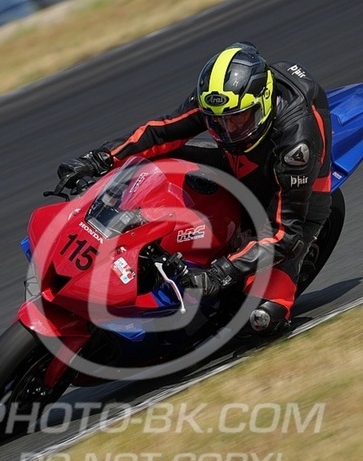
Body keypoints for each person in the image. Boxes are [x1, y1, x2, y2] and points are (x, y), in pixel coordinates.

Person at [57, 42, 332, 334]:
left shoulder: (296, 144)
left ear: (262, 104)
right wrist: (98, 159)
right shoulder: (218, 101)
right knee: (154, 159)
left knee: (260, 320)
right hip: (239, 160)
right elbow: (162, 130)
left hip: (296, 198)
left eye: (238, 119)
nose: (228, 129)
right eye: (218, 122)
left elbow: (285, 235)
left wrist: (218, 274)